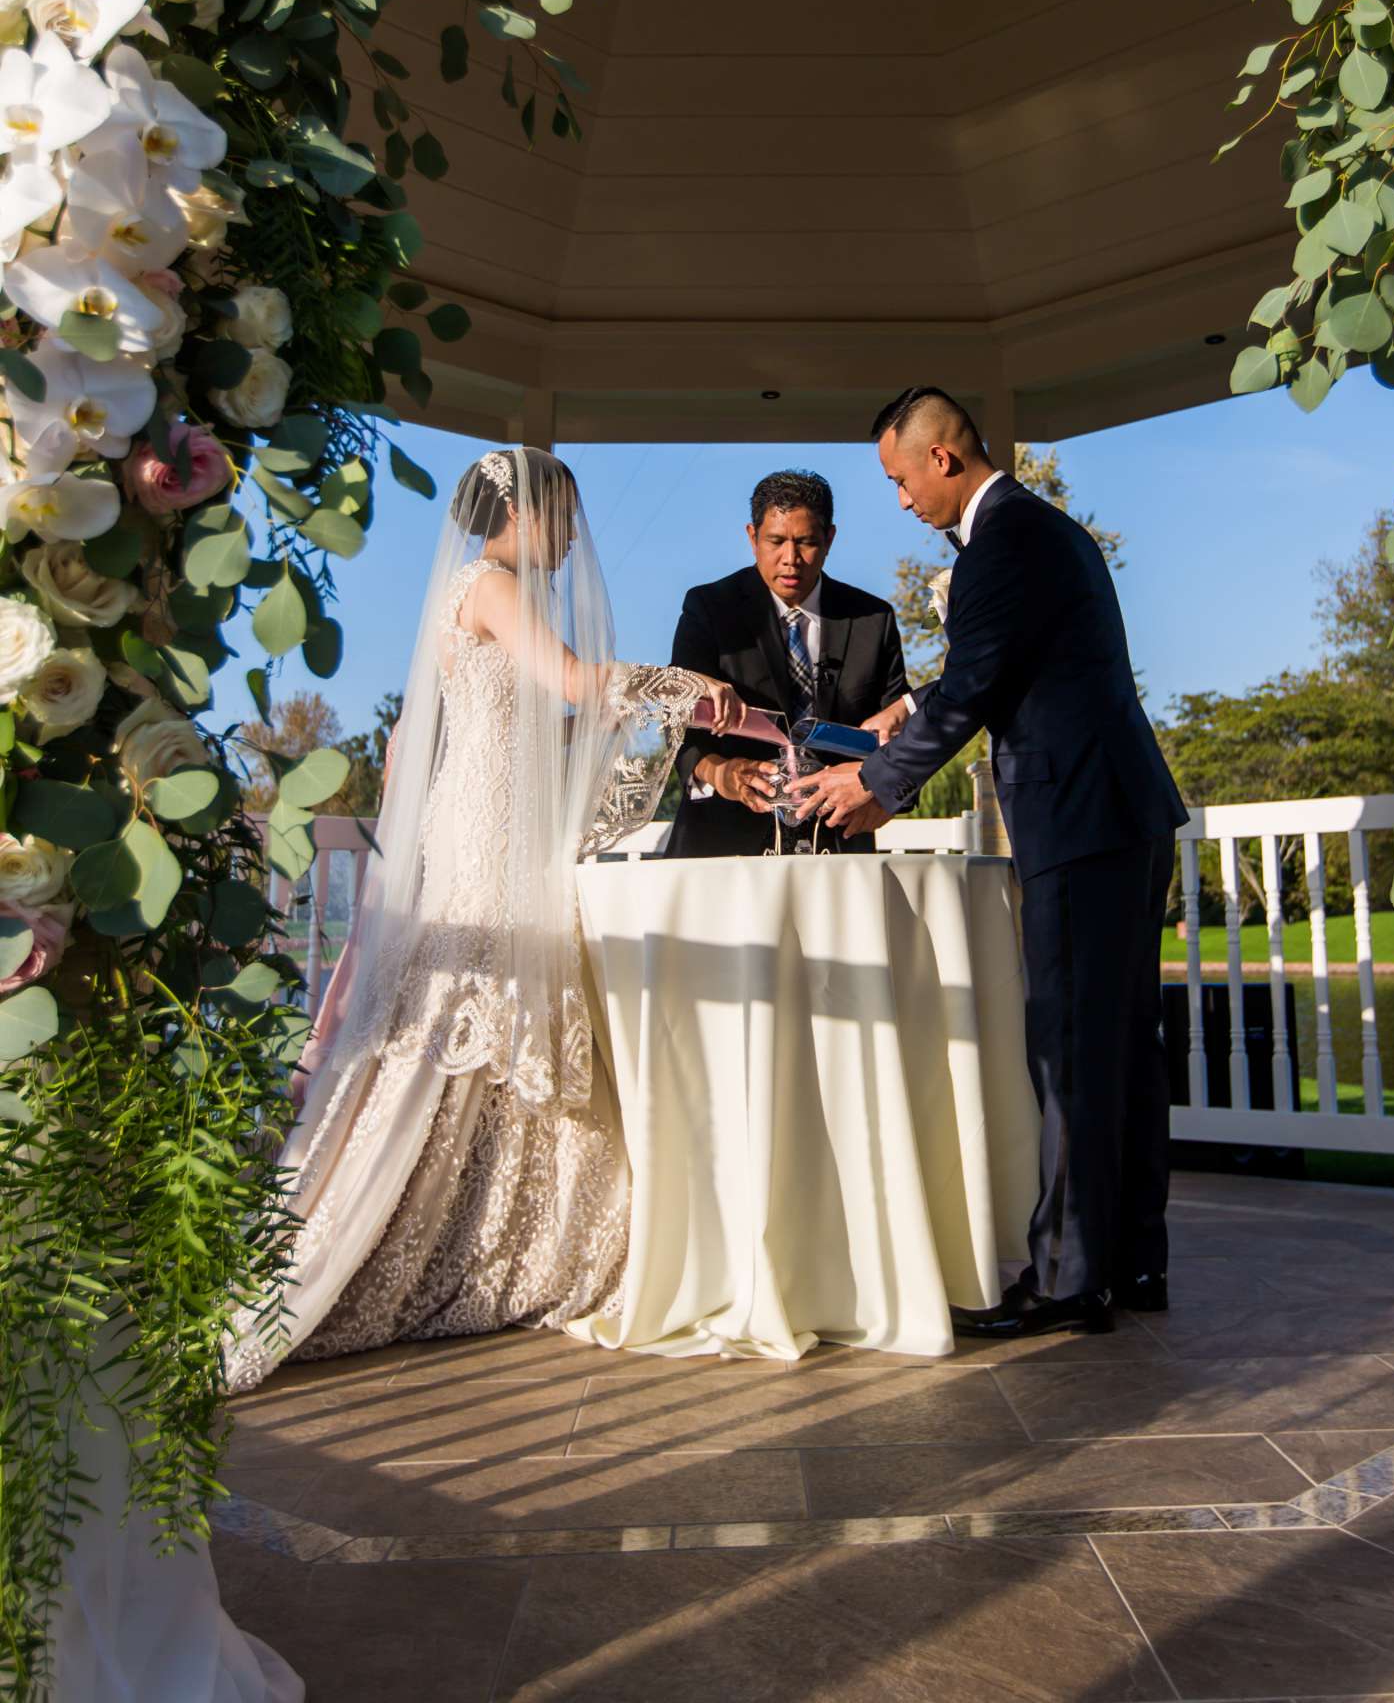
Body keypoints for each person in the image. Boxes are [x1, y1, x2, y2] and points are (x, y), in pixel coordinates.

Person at [226, 447, 743, 1389]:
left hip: (490, 817)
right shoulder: (496, 587)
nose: (578, 537)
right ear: (532, 512)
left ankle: (484, 1239)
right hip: (486, 837)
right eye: (570, 516)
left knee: (477, 1028)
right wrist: (685, 688)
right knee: (462, 1021)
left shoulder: (473, 590)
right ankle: (408, 1247)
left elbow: (502, 720)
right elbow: (578, 683)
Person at [797, 387, 1186, 1338]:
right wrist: (904, 708)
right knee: (1125, 1045)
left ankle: (1068, 1281)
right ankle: (1133, 1262)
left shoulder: (1001, 542)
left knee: (1070, 1051)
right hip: (1125, 813)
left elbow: (978, 684)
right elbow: (1009, 661)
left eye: (898, 480)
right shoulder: (1040, 531)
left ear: (941, 458)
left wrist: (878, 784)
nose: (899, 502)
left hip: (1079, 819)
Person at [662, 466, 908, 857]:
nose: (790, 559)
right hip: (724, 848)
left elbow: (900, 733)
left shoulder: (872, 620)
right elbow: (678, 724)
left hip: (839, 848)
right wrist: (720, 774)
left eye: (806, 542)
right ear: (752, 537)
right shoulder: (709, 609)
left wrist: (885, 796)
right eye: (775, 541)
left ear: (830, 538)